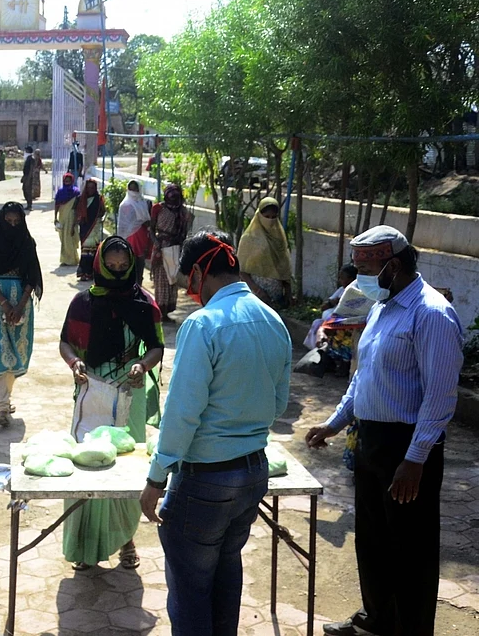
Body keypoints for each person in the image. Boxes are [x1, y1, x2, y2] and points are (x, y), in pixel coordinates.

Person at [305, 226, 464, 636]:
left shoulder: (431, 314)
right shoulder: (381, 307)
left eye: (364, 269)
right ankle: (376, 620)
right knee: (373, 539)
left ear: (391, 266)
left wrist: (415, 459)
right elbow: (364, 377)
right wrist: (334, 423)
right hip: (371, 441)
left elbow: (440, 394)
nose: (359, 278)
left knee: (411, 548)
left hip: (407, 447)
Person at [139, 230, 291, 636]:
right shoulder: (273, 320)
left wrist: (156, 477)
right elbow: (278, 404)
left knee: (191, 589)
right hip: (253, 472)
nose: (190, 289)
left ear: (201, 272)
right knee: (226, 572)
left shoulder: (203, 324)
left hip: (206, 477)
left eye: (189, 279)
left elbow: (182, 412)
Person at [60, 237, 164, 571]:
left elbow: (156, 346)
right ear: (100, 266)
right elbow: (65, 343)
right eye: (111, 266)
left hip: (129, 392)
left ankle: (127, 540)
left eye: (123, 266)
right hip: (92, 390)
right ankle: (85, 546)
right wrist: (75, 362)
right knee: (88, 466)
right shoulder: (82, 303)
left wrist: (143, 365)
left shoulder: (145, 303)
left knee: (126, 468)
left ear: (132, 265)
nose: (118, 272)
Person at [0, 202, 44, 427]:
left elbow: (32, 276)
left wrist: (19, 306)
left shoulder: (27, 243)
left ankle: (6, 399)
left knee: (17, 351)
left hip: (21, 301)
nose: (12, 226)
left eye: (17, 222)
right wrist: (4, 303)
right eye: (8, 221)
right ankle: (2, 407)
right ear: (1, 221)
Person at [238, 197, 293, 309]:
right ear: (259, 216)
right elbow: (241, 270)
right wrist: (257, 291)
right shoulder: (249, 238)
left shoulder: (279, 238)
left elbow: (284, 266)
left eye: (273, 217)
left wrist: (288, 292)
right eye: (266, 217)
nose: (270, 220)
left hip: (276, 298)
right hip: (254, 297)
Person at [150, 184, 194, 321]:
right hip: (161, 248)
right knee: (161, 280)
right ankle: (160, 311)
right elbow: (151, 229)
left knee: (172, 280)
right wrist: (157, 243)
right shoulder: (158, 208)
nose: (173, 200)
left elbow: (186, 230)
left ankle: (167, 311)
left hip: (175, 248)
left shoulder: (183, 212)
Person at [303, 264, 357, 350]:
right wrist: (332, 302)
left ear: (351, 279)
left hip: (343, 323)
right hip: (329, 321)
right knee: (317, 323)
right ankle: (315, 350)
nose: (340, 280)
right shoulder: (341, 290)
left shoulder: (357, 292)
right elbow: (323, 308)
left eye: (342, 278)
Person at [118, 181, 153, 284]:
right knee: (129, 259)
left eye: (135, 188)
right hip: (130, 237)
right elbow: (122, 224)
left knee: (140, 260)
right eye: (131, 189)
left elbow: (148, 220)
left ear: (139, 189)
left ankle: (139, 283)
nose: (133, 191)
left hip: (141, 236)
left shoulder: (144, 203)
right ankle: (129, 283)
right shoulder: (124, 205)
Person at [75, 179, 107, 281]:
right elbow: (77, 213)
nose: (90, 190)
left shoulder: (99, 199)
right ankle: (83, 272)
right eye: (88, 188)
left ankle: (90, 273)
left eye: (92, 188)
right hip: (85, 228)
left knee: (92, 251)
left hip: (95, 227)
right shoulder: (81, 199)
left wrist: (98, 217)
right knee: (85, 251)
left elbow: (103, 211)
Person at [54, 172, 83, 266]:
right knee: (63, 238)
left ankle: (72, 259)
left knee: (70, 236)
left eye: (69, 180)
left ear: (72, 181)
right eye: (65, 180)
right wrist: (55, 217)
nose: (67, 182)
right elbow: (57, 205)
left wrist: (77, 219)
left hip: (71, 216)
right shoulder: (60, 192)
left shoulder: (76, 192)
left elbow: (78, 206)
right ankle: (65, 259)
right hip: (62, 216)